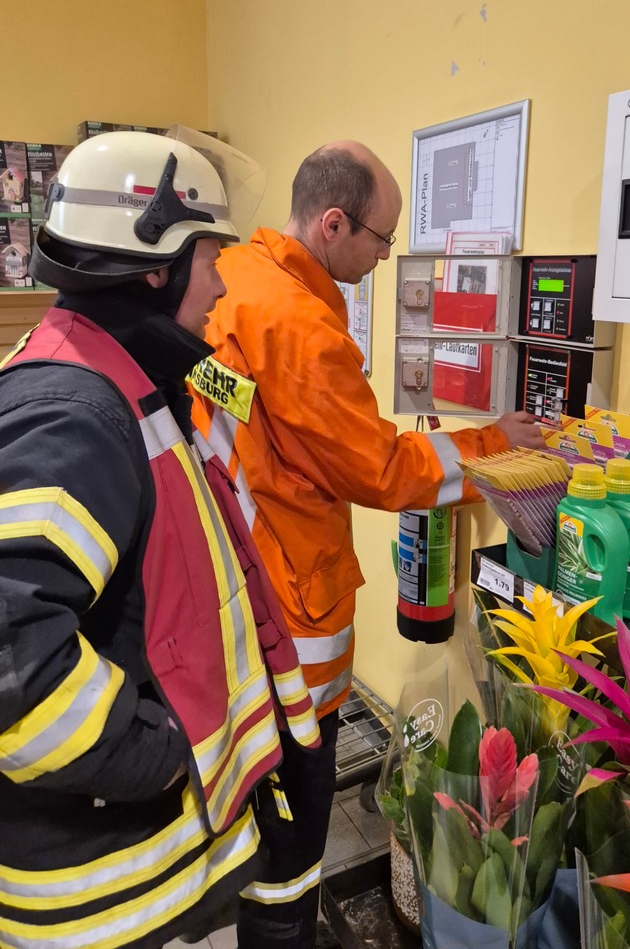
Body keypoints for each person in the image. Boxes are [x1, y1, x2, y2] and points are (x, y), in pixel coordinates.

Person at [188, 139, 547, 949]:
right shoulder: (304, 326)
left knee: (257, 814)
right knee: (295, 831)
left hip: (234, 586)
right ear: (333, 222)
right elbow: (380, 468)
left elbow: (246, 413)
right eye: (381, 241)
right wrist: (493, 445)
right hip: (295, 621)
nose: (385, 260)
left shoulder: (235, 277)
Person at [0, 130, 321, 949]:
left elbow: (239, 401)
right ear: (156, 265)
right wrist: (164, 750)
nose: (224, 281)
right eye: (212, 256)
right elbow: (14, 664)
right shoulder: (76, 414)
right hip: (103, 894)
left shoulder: (128, 357)